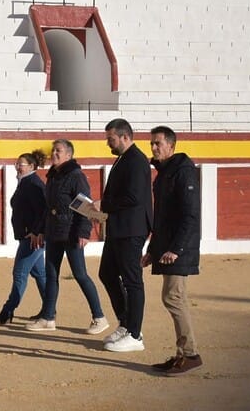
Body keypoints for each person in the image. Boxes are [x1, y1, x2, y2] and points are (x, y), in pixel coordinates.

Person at [25, 139, 109, 335]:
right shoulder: (53, 176)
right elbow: (47, 208)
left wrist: (83, 231)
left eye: (58, 151)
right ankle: (48, 317)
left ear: (68, 155)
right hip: (54, 231)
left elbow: (86, 204)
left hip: (71, 231)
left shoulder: (76, 176)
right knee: (51, 274)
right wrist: (40, 230)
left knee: (80, 274)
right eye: (53, 150)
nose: (54, 153)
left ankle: (99, 317)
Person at [143, 125, 203, 375]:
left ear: (171, 145)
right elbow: (162, 219)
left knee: (173, 297)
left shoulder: (182, 172)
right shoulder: (166, 173)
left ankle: (189, 354)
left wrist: (176, 249)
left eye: (158, 143)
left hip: (179, 248)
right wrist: (153, 250)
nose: (154, 148)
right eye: (152, 144)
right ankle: (182, 354)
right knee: (174, 297)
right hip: (169, 247)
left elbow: (190, 215)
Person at [95, 118, 152, 352]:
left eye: (111, 138)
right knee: (107, 273)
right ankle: (126, 322)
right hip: (119, 227)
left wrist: (103, 204)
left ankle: (135, 335)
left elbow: (133, 198)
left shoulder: (137, 161)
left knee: (132, 281)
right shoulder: (123, 159)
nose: (108, 142)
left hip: (131, 229)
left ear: (125, 137)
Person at [0, 150, 48, 325]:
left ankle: (7, 311)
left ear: (31, 166)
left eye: (20, 164)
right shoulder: (27, 182)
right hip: (29, 236)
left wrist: (36, 231)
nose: (17, 167)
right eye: (17, 164)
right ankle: (49, 311)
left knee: (20, 273)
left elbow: (43, 211)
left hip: (32, 238)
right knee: (40, 274)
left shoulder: (33, 183)